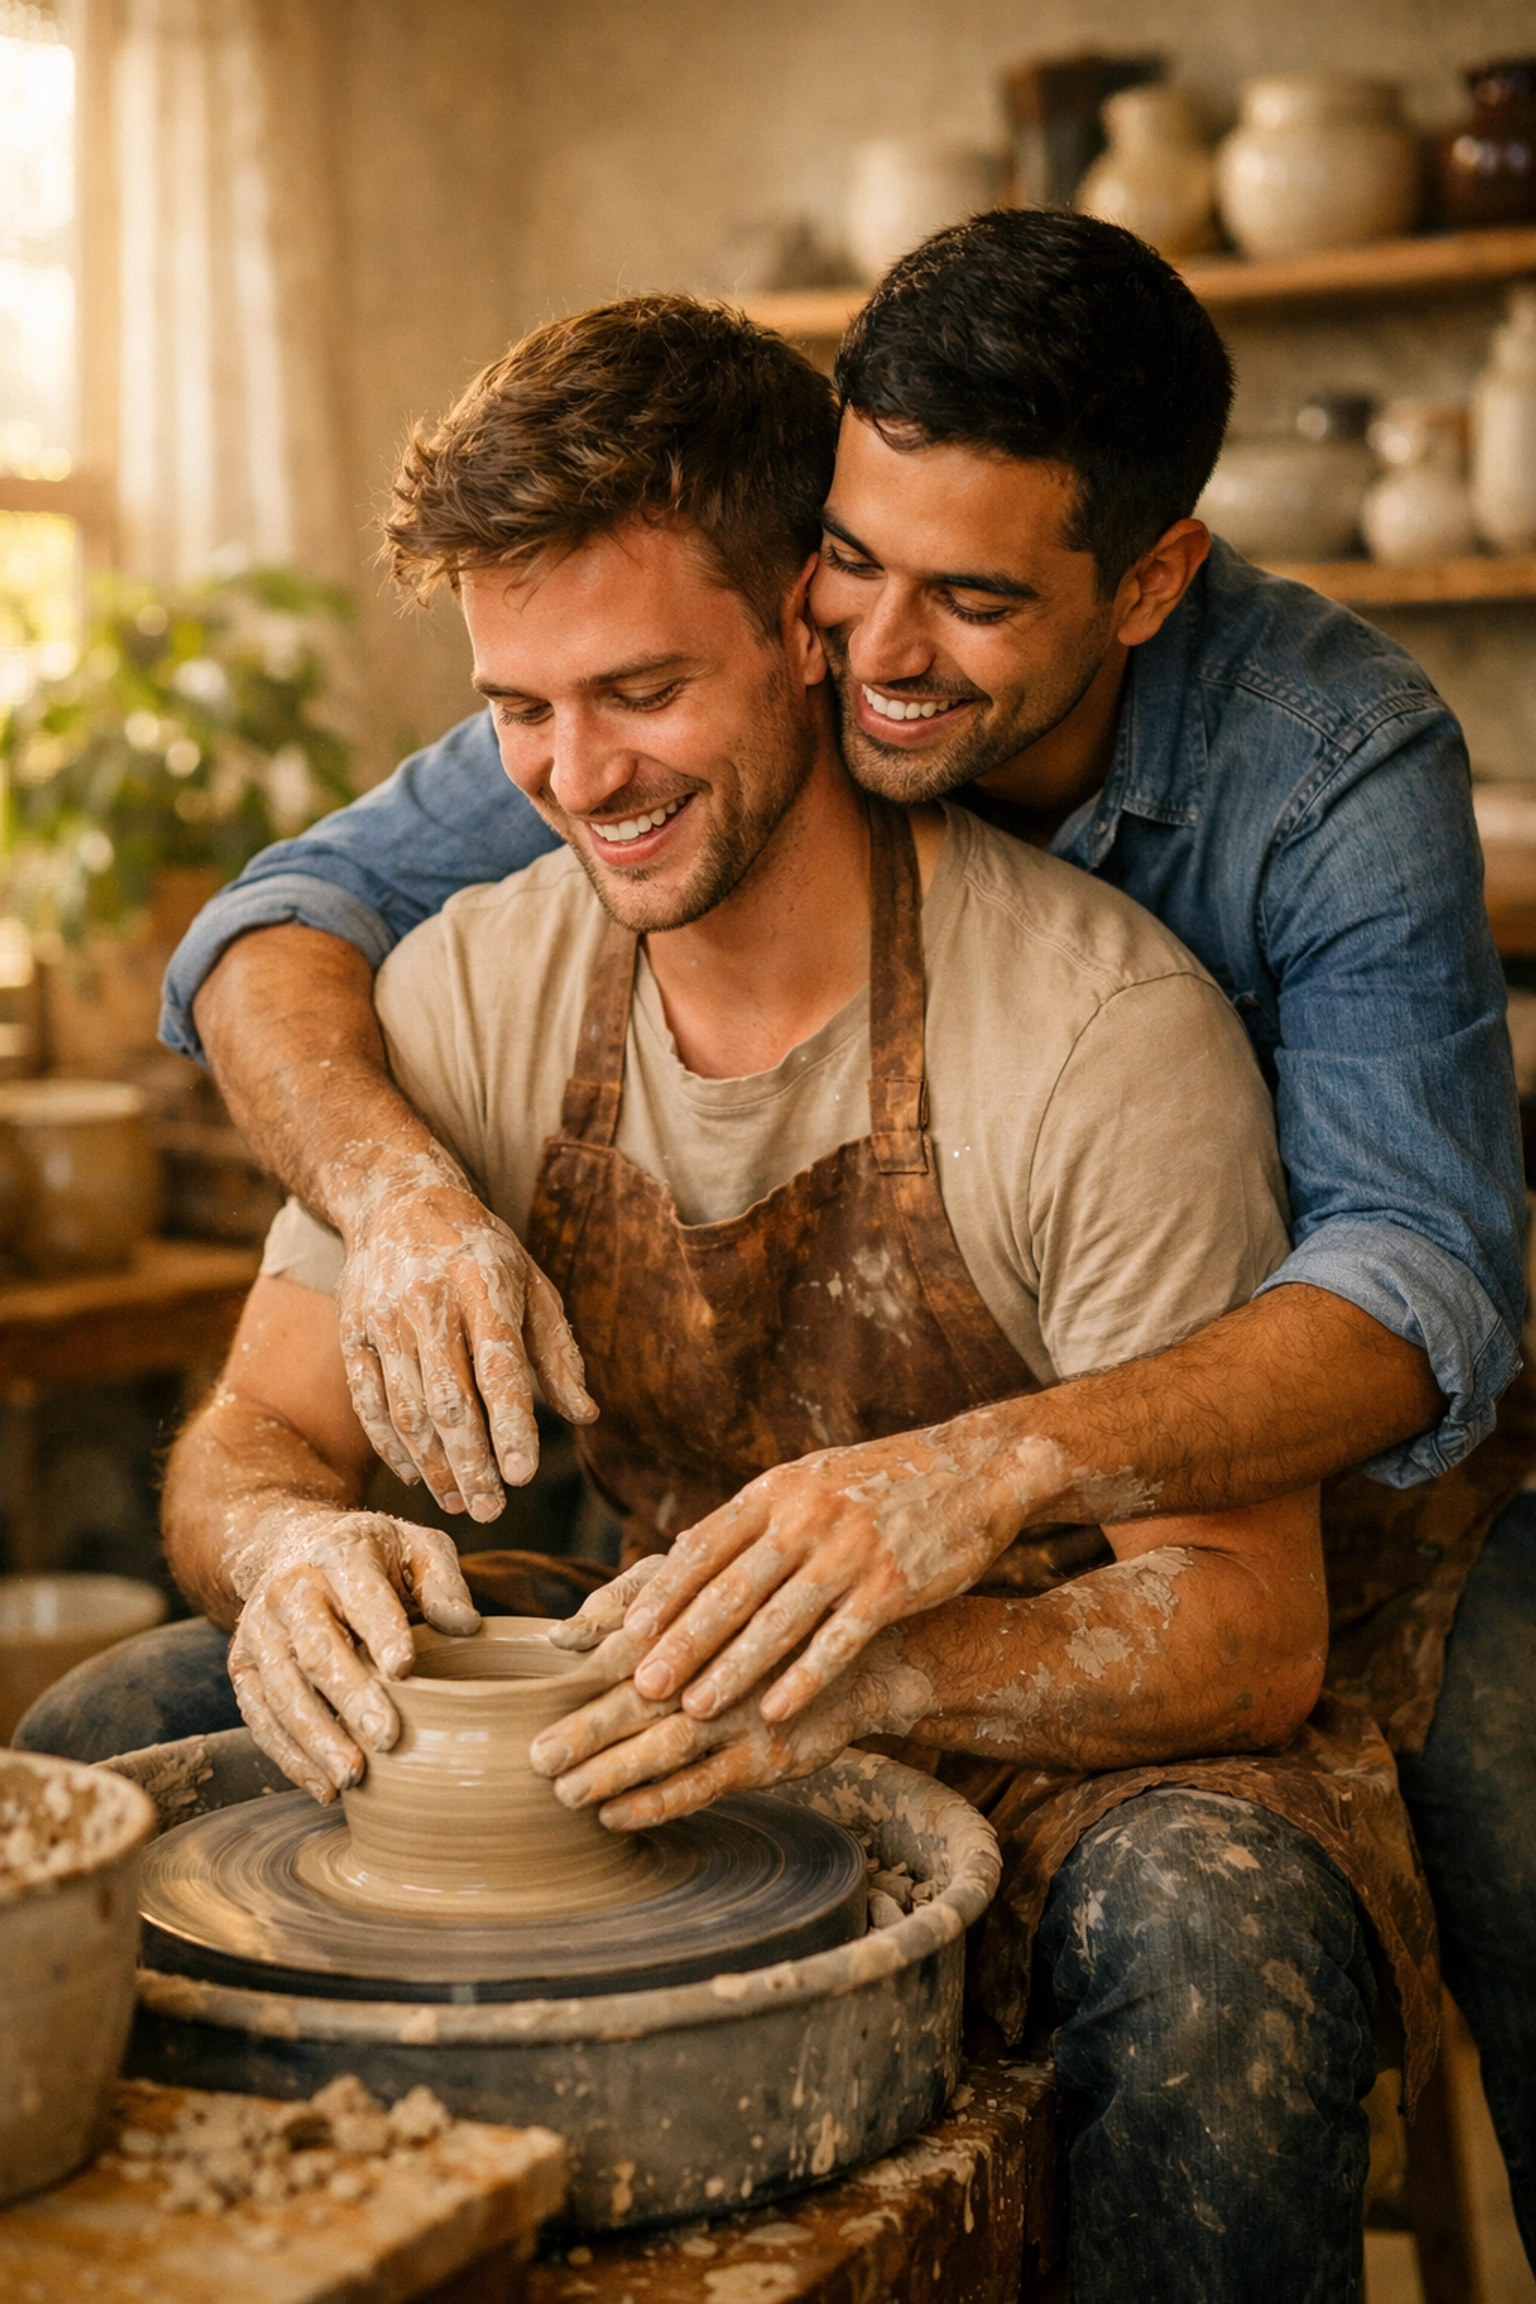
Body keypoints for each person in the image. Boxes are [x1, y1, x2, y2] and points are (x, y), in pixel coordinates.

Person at [151, 294, 1432, 2304]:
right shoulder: (470, 989)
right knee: (110, 1728)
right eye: (521, 708)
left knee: (1221, 1931)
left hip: (1043, 1727)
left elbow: (1252, 1628)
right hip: (669, 1671)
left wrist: (878, 1671)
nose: (577, 774)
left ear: (806, 633)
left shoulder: (1103, 1028)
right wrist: (288, 1543)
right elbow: (248, 1441)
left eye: (640, 690)